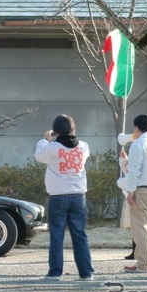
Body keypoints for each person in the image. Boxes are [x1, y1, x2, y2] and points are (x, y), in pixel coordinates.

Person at [34, 114, 94, 281]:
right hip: (78, 196)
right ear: (73, 128)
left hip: (58, 197)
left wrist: (45, 139)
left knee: (57, 235)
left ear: (56, 130)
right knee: (80, 235)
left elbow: (39, 156)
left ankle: (55, 272)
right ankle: (86, 272)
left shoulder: (52, 148)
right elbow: (82, 151)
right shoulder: (83, 147)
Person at [118, 114, 147, 274]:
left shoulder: (138, 144)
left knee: (141, 228)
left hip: (142, 190)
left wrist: (130, 191)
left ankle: (143, 264)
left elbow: (134, 171)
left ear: (137, 128)